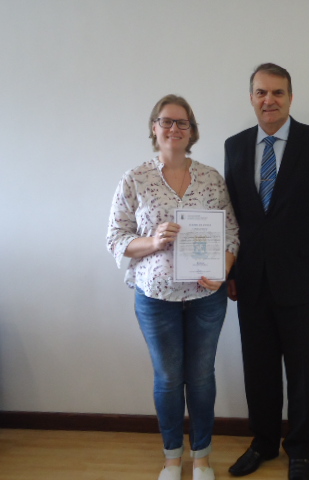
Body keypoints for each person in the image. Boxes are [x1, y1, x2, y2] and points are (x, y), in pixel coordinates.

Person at [106, 94, 239, 480]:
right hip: (156, 298)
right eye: (167, 121)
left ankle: (201, 459)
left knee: (201, 377)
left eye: (183, 122)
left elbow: (232, 232)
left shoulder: (211, 178)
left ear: (192, 131)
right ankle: (171, 458)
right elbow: (115, 238)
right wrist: (152, 241)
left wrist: (224, 268)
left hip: (206, 297)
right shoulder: (135, 178)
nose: (174, 128)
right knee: (167, 379)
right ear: (155, 127)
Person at [224, 63, 309, 480]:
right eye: (261, 92)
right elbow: (233, 217)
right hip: (251, 282)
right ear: (252, 98)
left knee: (301, 372)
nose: (269, 100)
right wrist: (231, 272)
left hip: (304, 284)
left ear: (291, 98)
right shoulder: (235, 146)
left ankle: (300, 450)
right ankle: (263, 443)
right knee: (258, 371)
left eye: (277, 92)